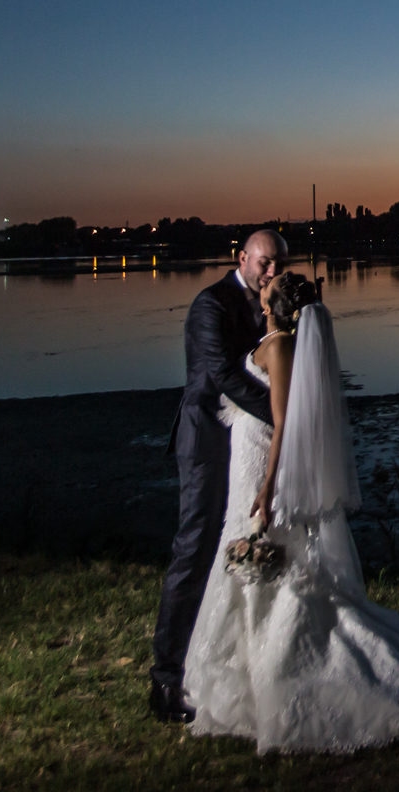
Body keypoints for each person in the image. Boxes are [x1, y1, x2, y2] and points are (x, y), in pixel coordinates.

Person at [184, 272, 399, 752]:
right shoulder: (274, 338)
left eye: (273, 280)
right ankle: (243, 666)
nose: (265, 280)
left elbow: (283, 421)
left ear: (275, 303)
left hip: (262, 463)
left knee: (275, 559)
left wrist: (268, 487)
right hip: (247, 459)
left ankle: (287, 663)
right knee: (251, 554)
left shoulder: (281, 346)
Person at [149, 229, 287, 723]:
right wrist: (284, 417)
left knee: (241, 540)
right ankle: (165, 679)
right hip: (206, 438)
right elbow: (222, 376)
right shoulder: (211, 304)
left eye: (279, 265)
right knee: (195, 545)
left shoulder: (272, 304)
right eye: (265, 263)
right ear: (243, 257)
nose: (272, 272)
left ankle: (224, 661)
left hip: (246, 441)